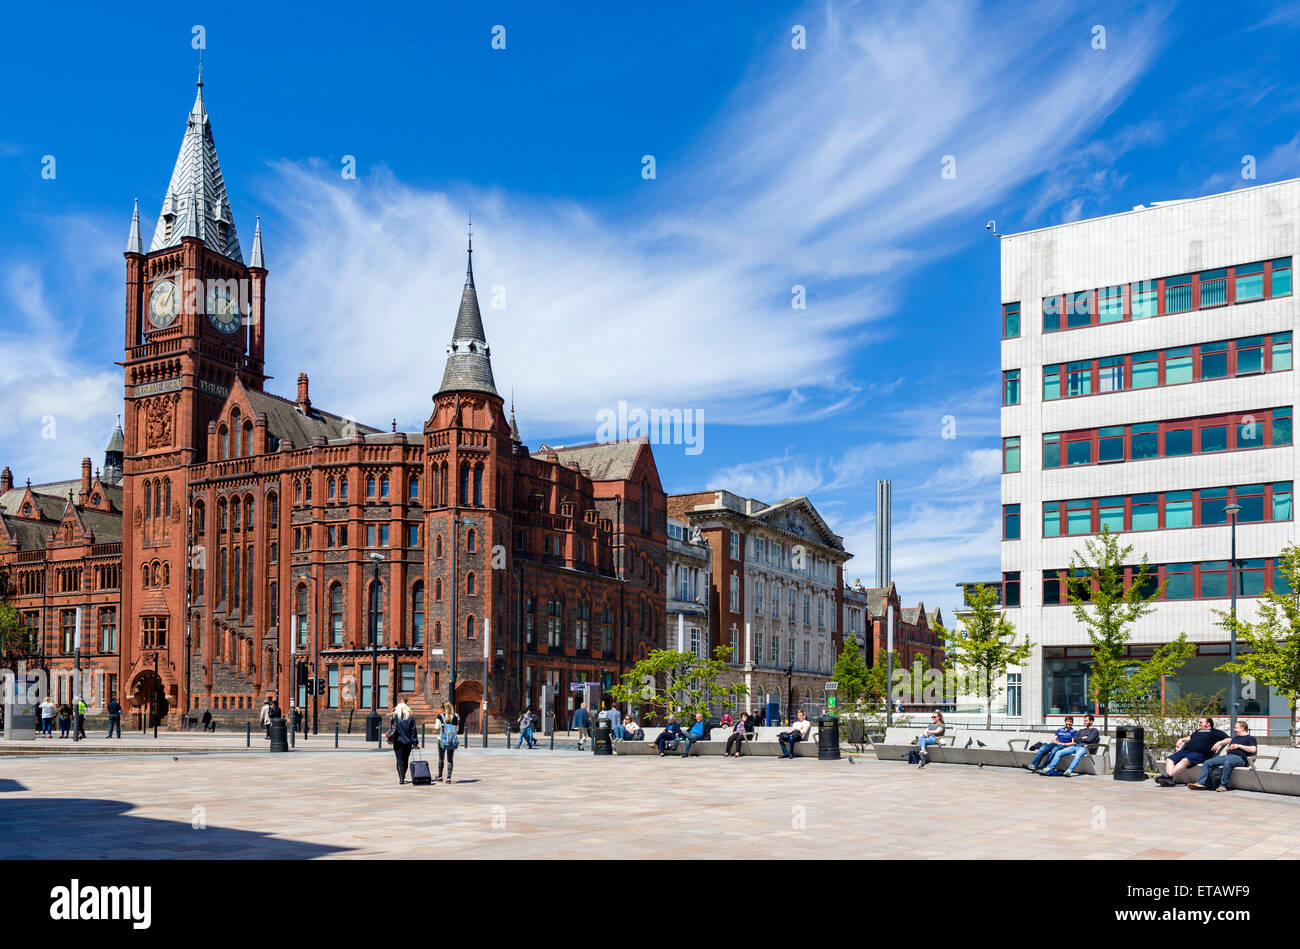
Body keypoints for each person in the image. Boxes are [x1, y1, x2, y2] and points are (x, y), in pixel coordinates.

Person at [1157, 717, 1229, 787]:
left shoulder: (1215, 732)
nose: (1199, 724)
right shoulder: (1197, 732)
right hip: (1186, 751)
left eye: (1201, 722)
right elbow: (1190, 737)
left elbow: (1229, 739)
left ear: (1208, 724)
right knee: (1169, 759)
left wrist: (1219, 743)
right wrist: (1181, 740)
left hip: (1200, 754)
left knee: (1185, 760)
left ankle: (1168, 776)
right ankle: (1168, 779)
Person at [1188, 720, 1257, 792]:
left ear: (1242, 728)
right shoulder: (1235, 738)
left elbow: (1253, 749)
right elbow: (1230, 749)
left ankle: (1223, 785)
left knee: (1227, 762)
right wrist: (1229, 748)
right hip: (1229, 756)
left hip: (1241, 759)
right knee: (1207, 762)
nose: (1234, 729)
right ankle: (1201, 783)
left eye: (1236, 728)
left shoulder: (1251, 738)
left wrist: (1239, 746)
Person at [389, 697, 419, 785]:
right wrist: (415, 743)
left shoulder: (395, 718)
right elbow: (413, 732)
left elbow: (392, 727)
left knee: (399, 760)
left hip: (397, 741)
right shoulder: (410, 719)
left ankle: (401, 778)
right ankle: (403, 775)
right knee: (405, 760)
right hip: (407, 742)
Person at [435, 703, 460, 784]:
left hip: (441, 740)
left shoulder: (440, 716)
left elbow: (436, 727)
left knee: (441, 758)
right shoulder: (455, 717)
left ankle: (440, 776)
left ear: (443, 708)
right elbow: (457, 730)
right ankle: (448, 779)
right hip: (451, 740)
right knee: (450, 759)